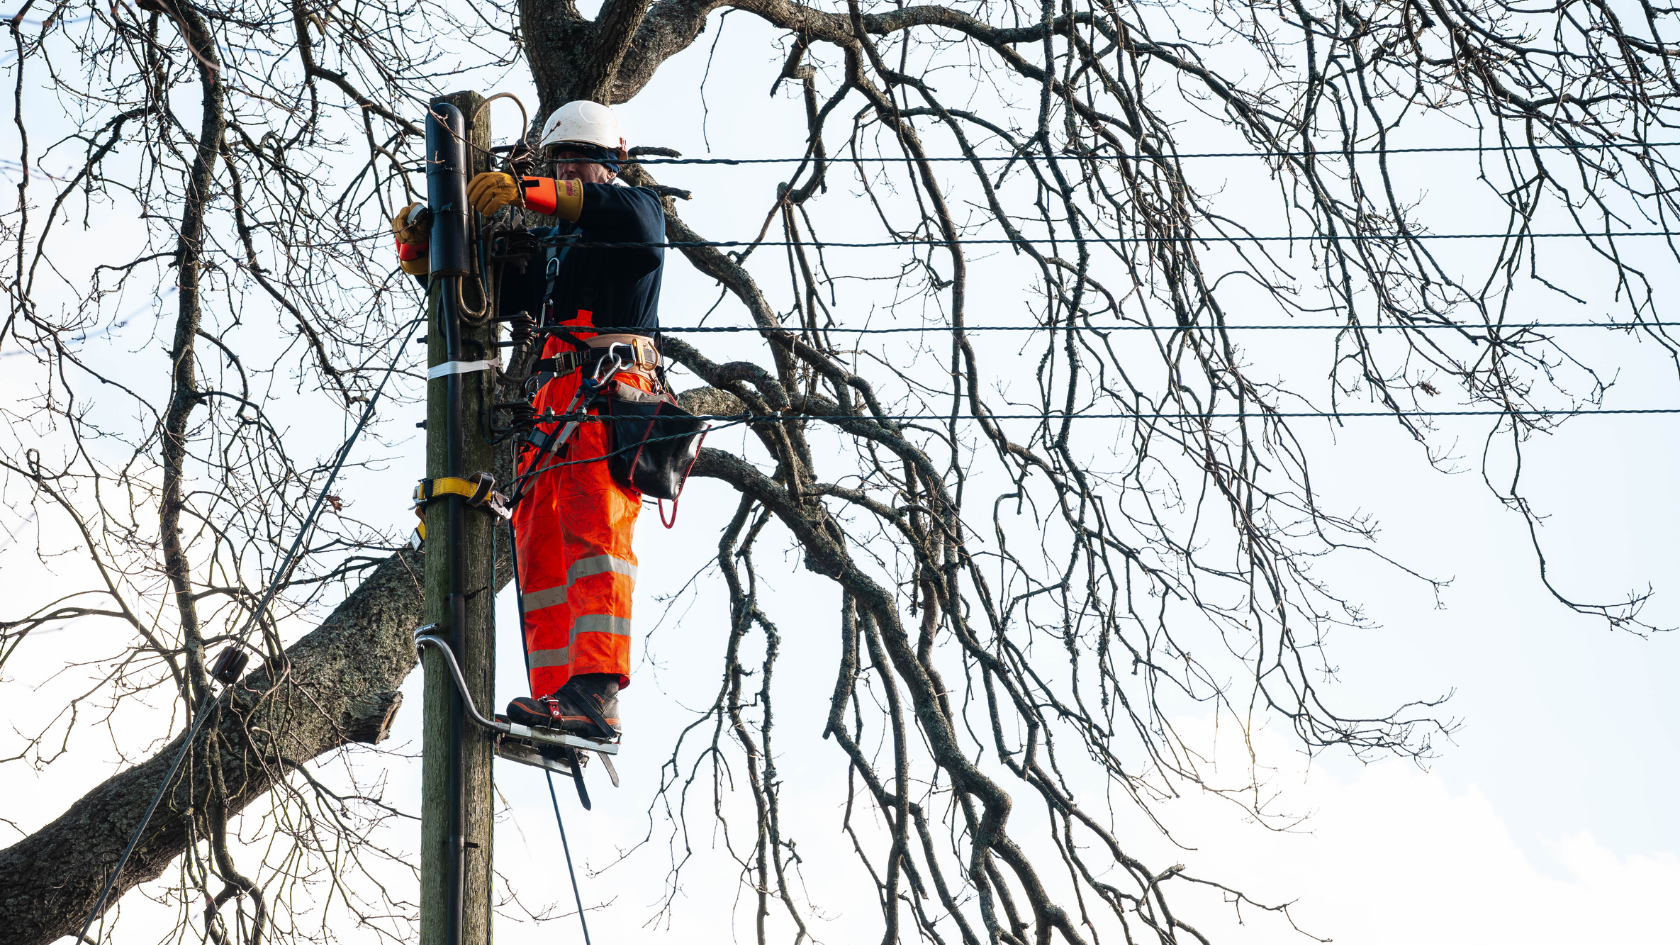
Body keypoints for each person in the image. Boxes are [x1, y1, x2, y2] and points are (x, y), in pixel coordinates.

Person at [390, 100, 665, 739]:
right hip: (553, 407)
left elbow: (632, 227)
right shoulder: (557, 247)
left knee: (596, 540)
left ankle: (597, 693)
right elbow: (477, 290)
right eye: (558, 162)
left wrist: (531, 190)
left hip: (607, 395)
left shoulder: (634, 210)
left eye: (579, 162)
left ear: (611, 162)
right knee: (538, 535)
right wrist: (426, 242)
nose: (568, 173)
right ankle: (556, 695)